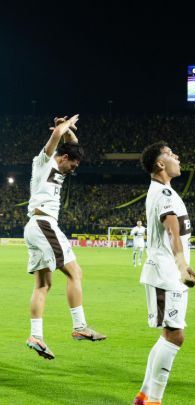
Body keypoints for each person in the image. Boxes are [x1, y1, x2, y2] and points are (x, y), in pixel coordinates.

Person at [24, 115, 106, 360]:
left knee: (43, 285)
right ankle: (80, 327)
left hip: (35, 227)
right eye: (73, 164)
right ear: (63, 158)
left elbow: (73, 145)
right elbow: (56, 138)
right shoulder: (43, 162)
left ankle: (35, 336)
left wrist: (69, 130)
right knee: (75, 272)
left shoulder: (62, 166)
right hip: (44, 224)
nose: (74, 169)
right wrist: (63, 126)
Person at [133, 141, 195, 405]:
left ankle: (144, 396)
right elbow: (172, 232)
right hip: (166, 274)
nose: (177, 157)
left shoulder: (163, 191)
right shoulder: (164, 195)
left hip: (168, 274)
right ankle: (154, 400)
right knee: (175, 335)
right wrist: (182, 267)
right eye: (171, 154)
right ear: (160, 164)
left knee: (170, 335)